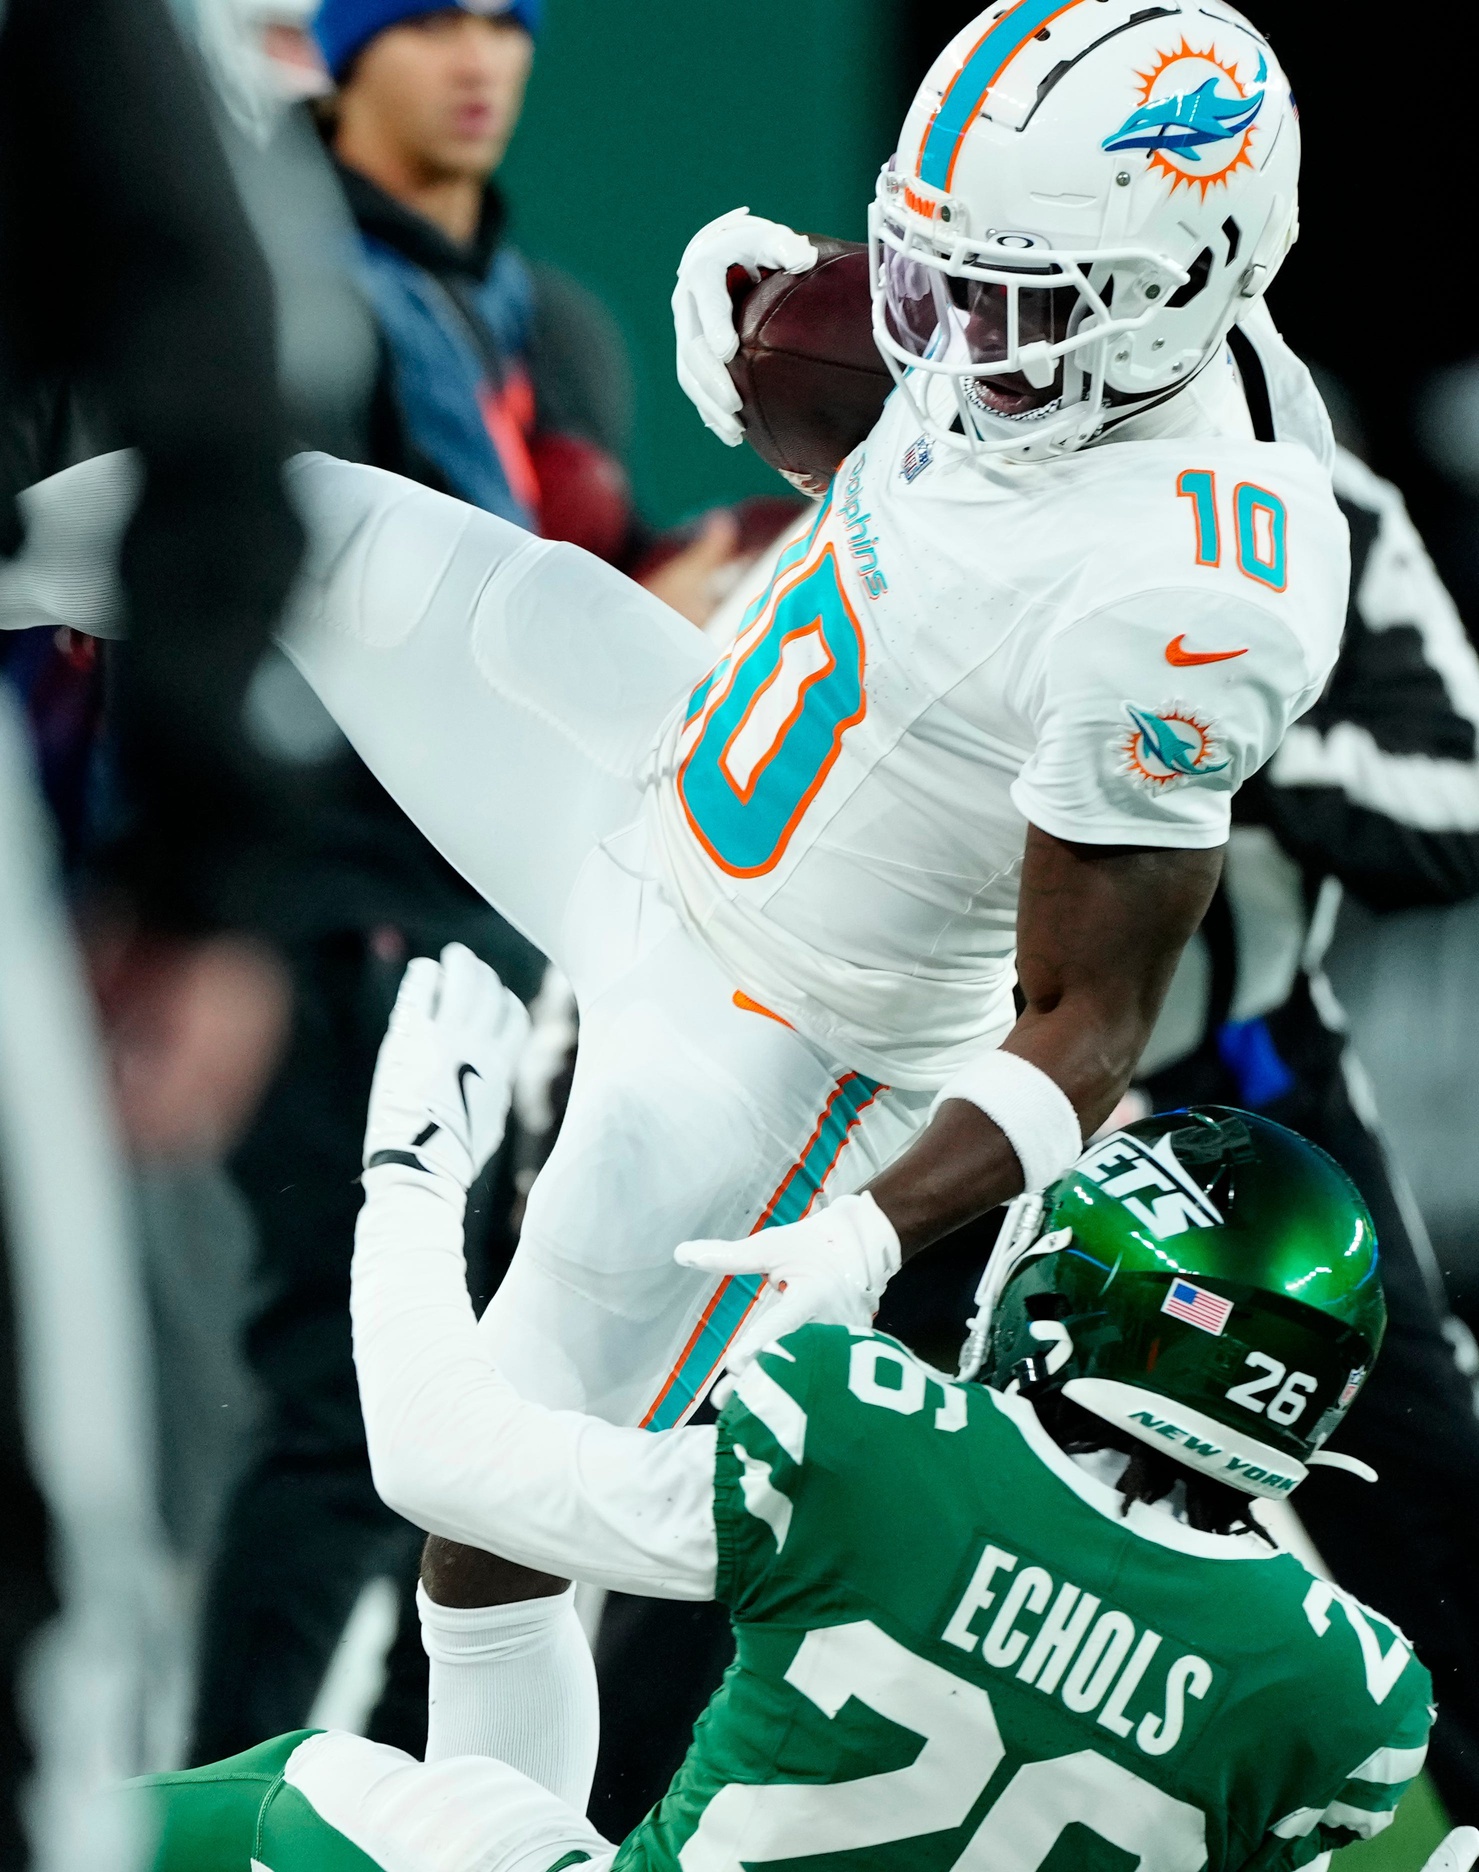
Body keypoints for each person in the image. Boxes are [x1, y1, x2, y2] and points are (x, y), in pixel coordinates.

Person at [13, 0, 1352, 1801]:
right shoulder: (1038, 325)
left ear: (1185, 284)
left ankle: (499, 1849)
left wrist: (874, 1230)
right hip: (672, 756)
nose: (961, 342)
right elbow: (912, 453)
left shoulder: (1201, 580)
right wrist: (781, 353)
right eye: (931, 278)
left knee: (485, 1504)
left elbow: (1087, 1027)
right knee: (312, 525)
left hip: (783, 1040)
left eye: (1014, 308)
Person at [124, 945, 1460, 1872]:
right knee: (493, 1648)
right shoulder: (1351, 1696)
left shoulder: (881, 1439)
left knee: (310, 1791)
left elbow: (436, 1459)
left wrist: (414, 1163)